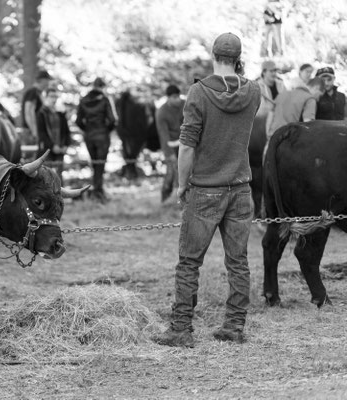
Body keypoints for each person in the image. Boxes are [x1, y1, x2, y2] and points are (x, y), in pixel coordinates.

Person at [152, 33, 261, 347]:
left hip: (206, 188)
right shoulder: (253, 91)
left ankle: (180, 329)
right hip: (241, 188)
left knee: (189, 262)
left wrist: (181, 185)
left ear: (213, 54)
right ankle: (234, 326)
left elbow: (187, 148)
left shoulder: (198, 93)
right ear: (239, 56)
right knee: (238, 261)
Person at [76, 77, 117, 203]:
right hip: (102, 135)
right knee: (100, 164)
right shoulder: (105, 99)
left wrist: (87, 128)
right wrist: (106, 130)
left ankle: (97, 191)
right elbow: (112, 120)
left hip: (89, 135)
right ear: (102, 86)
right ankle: (98, 192)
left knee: (95, 163)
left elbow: (78, 121)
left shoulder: (83, 100)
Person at [155, 84, 185, 203]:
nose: (177, 99)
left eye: (178, 96)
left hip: (185, 142)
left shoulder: (186, 104)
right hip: (170, 144)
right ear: (168, 97)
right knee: (171, 172)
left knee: (186, 173)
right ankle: (165, 199)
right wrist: (169, 154)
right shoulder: (161, 112)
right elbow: (163, 135)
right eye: (174, 97)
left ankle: (184, 201)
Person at [37, 87, 71, 183]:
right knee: (47, 176)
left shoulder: (60, 113)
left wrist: (66, 145)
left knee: (59, 176)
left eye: (55, 96)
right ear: (46, 97)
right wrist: (52, 146)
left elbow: (67, 131)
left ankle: (59, 196)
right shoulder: (41, 113)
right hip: (47, 150)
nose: (54, 99)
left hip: (60, 148)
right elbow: (41, 133)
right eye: (51, 96)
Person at [21, 69, 52, 147]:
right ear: (42, 80)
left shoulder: (38, 93)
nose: (48, 83)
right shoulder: (33, 92)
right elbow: (28, 112)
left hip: (33, 130)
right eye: (48, 80)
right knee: (31, 156)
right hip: (30, 131)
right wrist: (34, 132)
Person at [255, 60, 285, 132]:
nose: (274, 73)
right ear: (264, 72)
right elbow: (260, 109)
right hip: (263, 122)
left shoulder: (280, 84)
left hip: (280, 120)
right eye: (271, 71)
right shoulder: (257, 86)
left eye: (275, 71)